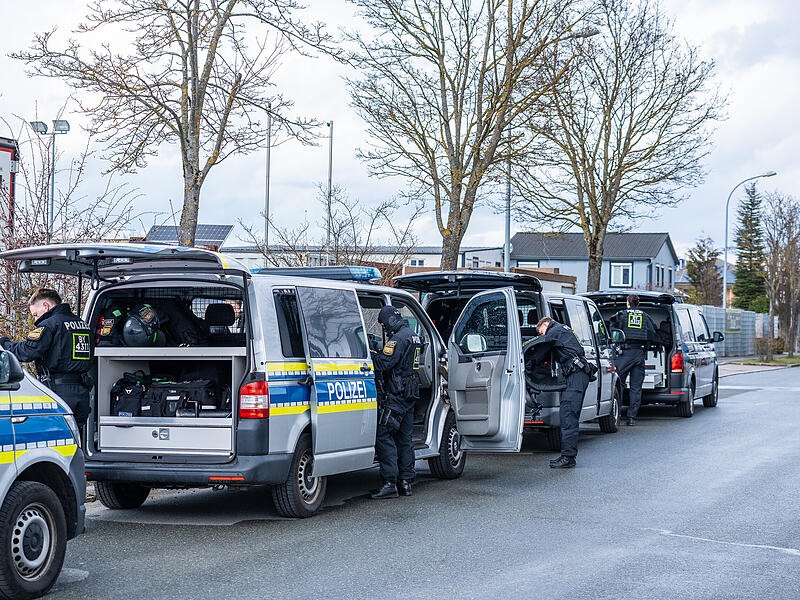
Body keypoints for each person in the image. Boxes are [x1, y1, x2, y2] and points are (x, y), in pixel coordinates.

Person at [0, 289, 93, 436]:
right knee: (76, 437)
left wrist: (5, 344)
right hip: (82, 392)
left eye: (35, 314)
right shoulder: (83, 325)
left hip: (58, 391)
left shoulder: (50, 324)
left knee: (54, 437)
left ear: (45, 306)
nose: (36, 319)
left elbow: (27, 351)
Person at [369, 305, 422, 499]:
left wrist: (373, 356)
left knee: (384, 434)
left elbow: (385, 363)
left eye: (383, 324)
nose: (384, 328)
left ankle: (389, 482)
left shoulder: (397, 339)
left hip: (397, 394)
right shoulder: (414, 335)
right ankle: (406, 482)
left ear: (390, 321)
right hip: (410, 393)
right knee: (405, 438)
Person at [533, 316, 596, 469]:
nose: (542, 335)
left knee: (568, 416)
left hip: (576, 375)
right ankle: (567, 455)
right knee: (568, 415)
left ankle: (568, 458)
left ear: (545, 324)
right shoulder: (561, 330)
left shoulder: (554, 330)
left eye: (541, 332)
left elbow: (541, 351)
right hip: (577, 374)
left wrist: (529, 360)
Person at [609, 294, 660, 426]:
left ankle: (616, 414)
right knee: (636, 388)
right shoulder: (645, 316)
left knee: (618, 385)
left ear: (627, 303)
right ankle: (631, 417)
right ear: (638, 304)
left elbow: (612, 330)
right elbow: (653, 333)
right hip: (639, 354)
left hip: (624, 354)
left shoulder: (621, 315)